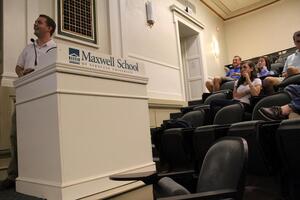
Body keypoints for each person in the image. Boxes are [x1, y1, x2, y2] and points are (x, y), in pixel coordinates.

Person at [0, 14, 56, 190]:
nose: (35, 24)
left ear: (49, 28)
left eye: (39, 22)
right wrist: (22, 73)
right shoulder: (27, 48)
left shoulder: (55, 49)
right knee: (16, 135)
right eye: (35, 22)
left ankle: (42, 174)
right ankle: (13, 175)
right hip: (24, 97)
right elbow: (18, 67)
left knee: (43, 137)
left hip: (45, 98)